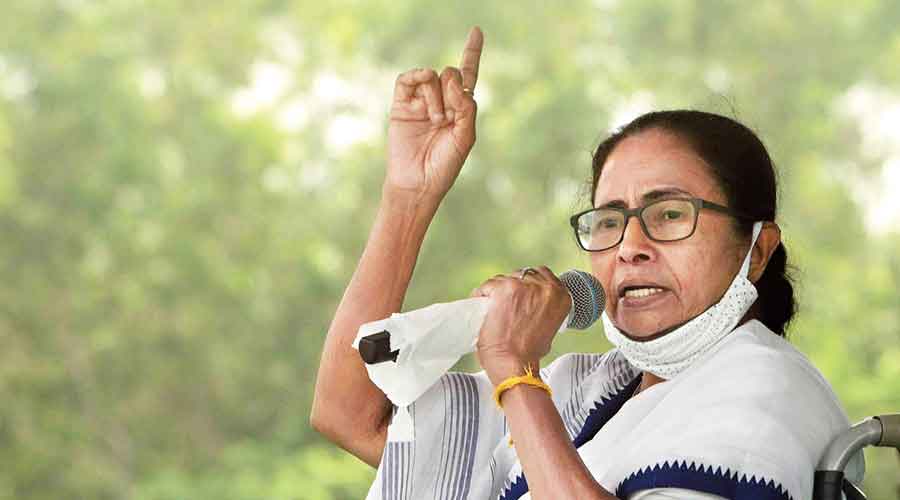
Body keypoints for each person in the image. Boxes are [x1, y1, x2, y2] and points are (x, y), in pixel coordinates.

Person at [310, 26, 864, 499]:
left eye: (670, 215)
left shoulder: (766, 395)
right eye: (608, 220)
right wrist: (409, 196)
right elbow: (350, 414)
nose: (630, 246)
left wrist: (514, 368)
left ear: (758, 249)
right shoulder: (590, 390)